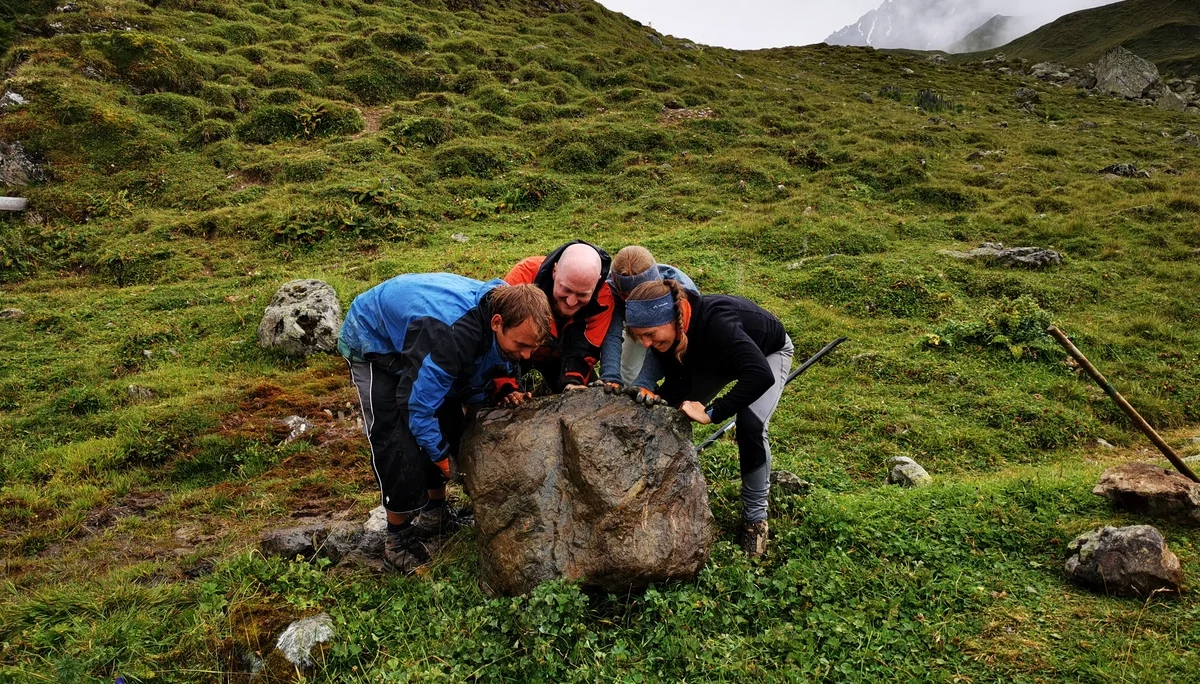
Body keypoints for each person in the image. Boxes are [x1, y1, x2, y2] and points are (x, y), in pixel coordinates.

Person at [339, 273, 551, 573]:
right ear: (497, 323)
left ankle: (435, 514)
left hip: (425, 339)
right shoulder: (451, 335)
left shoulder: (512, 307)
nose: (527, 355)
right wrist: (439, 456)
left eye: (533, 348)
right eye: (521, 345)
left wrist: (505, 386)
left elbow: (482, 363)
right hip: (376, 341)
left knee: (450, 420)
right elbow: (418, 406)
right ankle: (397, 538)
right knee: (396, 439)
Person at [624, 280, 794, 557]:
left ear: (673, 320)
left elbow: (760, 374)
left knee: (750, 425)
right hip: (714, 360)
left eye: (650, 334)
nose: (645, 343)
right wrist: (648, 387)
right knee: (666, 409)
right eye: (639, 336)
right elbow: (662, 377)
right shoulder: (669, 335)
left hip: (765, 356)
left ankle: (755, 521)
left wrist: (714, 412)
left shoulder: (717, 322)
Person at [503, 240, 614, 392]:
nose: (571, 301)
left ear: (597, 281)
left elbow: (585, 348)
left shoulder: (604, 299)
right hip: (518, 351)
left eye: (582, 294)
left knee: (587, 396)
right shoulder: (524, 276)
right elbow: (502, 339)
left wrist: (572, 381)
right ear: (554, 271)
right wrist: (506, 388)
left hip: (562, 356)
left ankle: (547, 389)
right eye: (566, 289)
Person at [598, 246, 698, 400]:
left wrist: (646, 381)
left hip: (669, 333)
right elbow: (612, 333)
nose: (633, 301)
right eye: (626, 295)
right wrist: (610, 376)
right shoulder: (610, 289)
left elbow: (671, 345)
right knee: (626, 380)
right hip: (633, 330)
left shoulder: (680, 290)